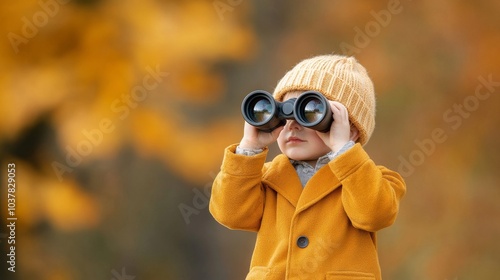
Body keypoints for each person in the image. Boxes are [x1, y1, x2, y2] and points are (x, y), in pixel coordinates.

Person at [209, 54, 406, 280]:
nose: (292, 125)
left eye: (310, 112)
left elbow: (374, 214)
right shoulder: (266, 178)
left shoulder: (373, 180)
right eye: (283, 114)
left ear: (349, 130)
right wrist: (249, 148)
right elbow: (229, 213)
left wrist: (345, 152)